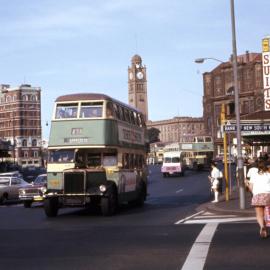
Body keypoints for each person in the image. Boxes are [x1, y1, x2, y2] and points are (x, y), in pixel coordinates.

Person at [245, 160, 270, 238]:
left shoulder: (254, 176)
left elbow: (251, 189)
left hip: (257, 196)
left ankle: (262, 227)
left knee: (259, 215)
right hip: (268, 195)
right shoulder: (269, 175)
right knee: (267, 213)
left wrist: (247, 184)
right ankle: (266, 225)